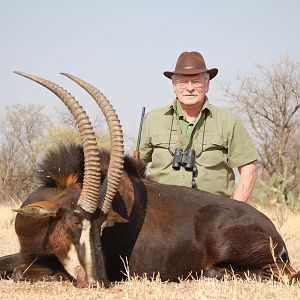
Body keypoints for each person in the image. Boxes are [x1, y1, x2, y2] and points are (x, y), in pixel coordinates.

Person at [138, 51, 258, 202]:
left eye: (196, 82)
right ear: (174, 85)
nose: (189, 88)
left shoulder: (229, 121)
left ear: (207, 84)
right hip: (161, 213)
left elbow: (249, 169)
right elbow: (136, 168)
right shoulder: (152, 119)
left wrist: (234, 212)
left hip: (213, 214)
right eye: (183, 82)